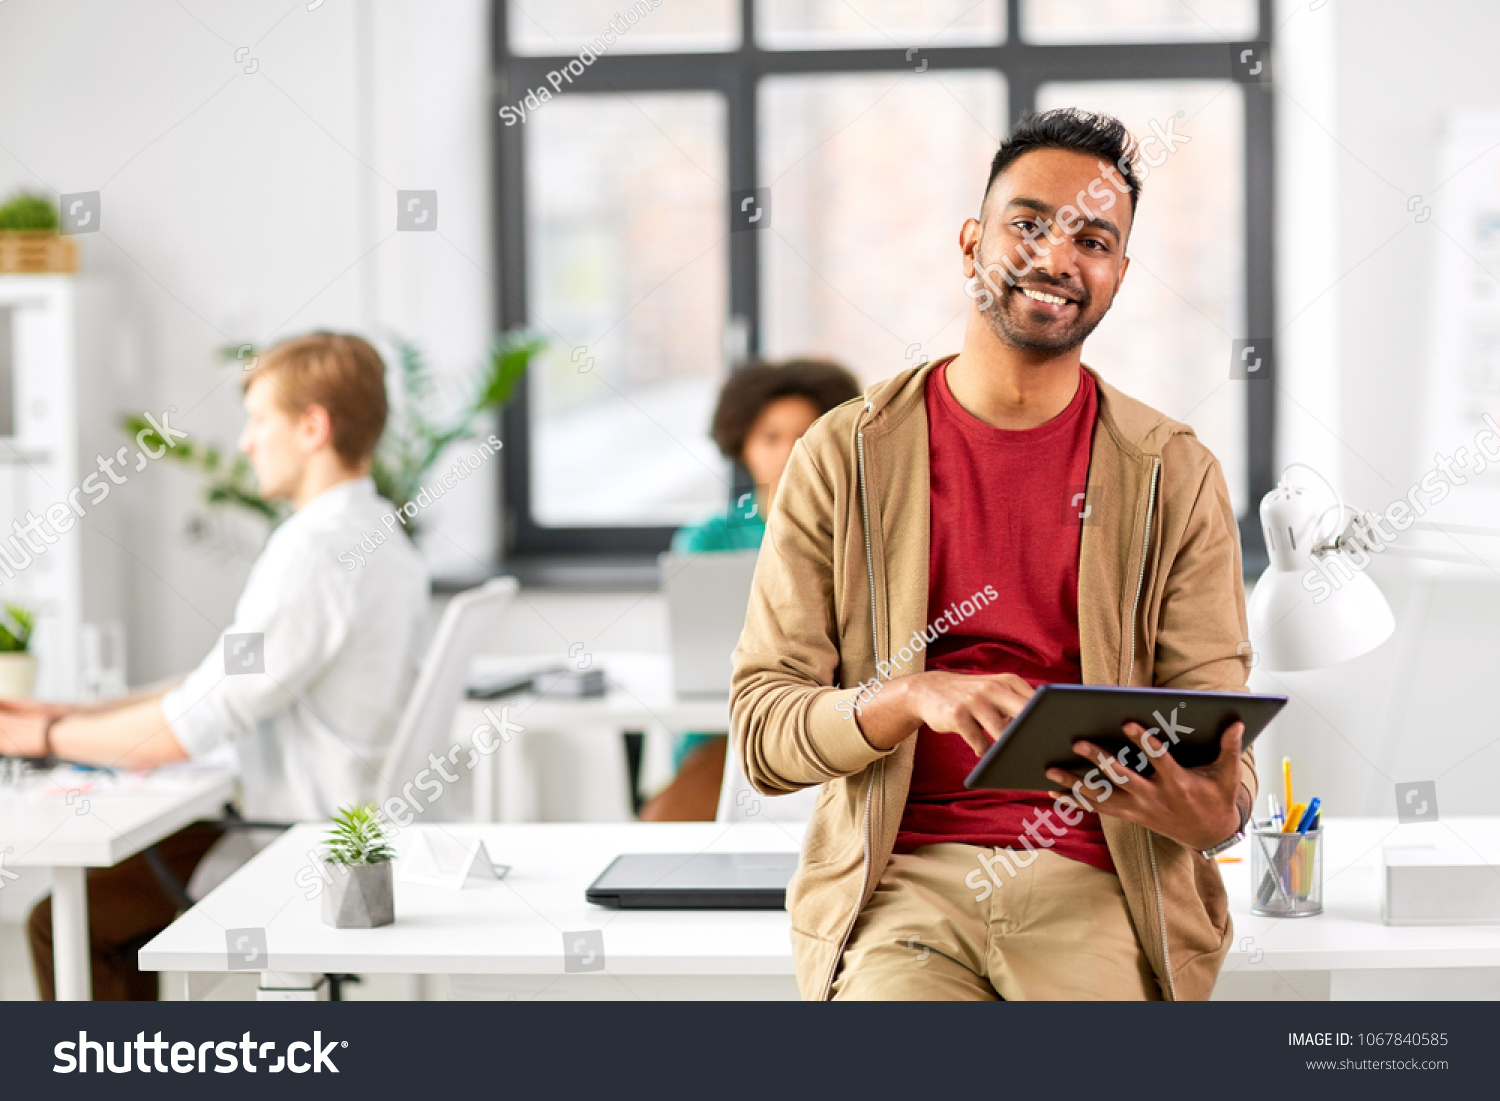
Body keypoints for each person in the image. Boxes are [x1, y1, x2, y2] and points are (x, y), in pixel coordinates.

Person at [732, 108, 1257, 1001]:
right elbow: (764, 735)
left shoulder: (1174, 473)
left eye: (1093, 239)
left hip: (1100, 888)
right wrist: (906, 697)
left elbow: (1224, 772)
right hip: (901, 893)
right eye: (1028, 224)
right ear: (973, 241)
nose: (1056, 258)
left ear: (1118, 275)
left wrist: (1203, 809)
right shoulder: (843, 454)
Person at [0, 332, 430, 1000]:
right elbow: (220, 683)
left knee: (66, 924)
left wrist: (41, 738)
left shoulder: (314, 552)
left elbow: (190, 725)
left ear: (313, 426)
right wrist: (77, 715)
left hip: (294, 837)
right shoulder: (379, 535)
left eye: (259, 420)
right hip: (340, 820)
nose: (245, 442)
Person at [640, 359, 860, 822]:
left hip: (826, 719)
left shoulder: (856, 536)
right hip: (722, 730)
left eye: (804, 435)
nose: (788, 452)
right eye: (770, 437)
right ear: (743, 445)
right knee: (668, 820)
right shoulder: (707, 540)